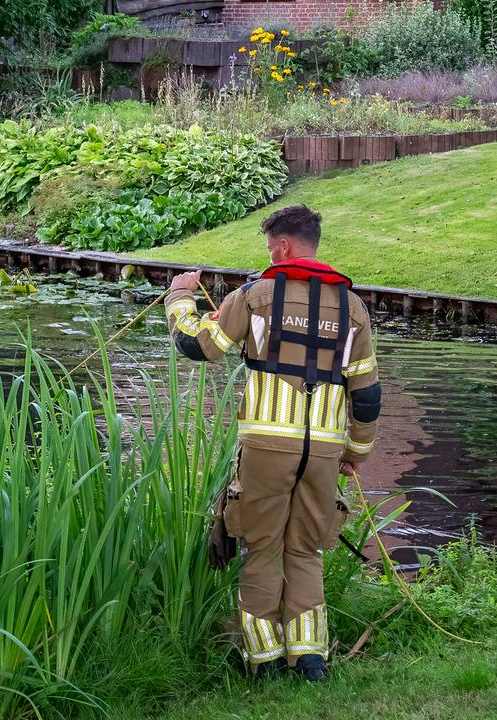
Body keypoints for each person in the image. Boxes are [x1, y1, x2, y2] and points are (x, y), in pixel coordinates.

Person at [163, 205, 382, 682]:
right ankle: (309, 661)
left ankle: (262, 662)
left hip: (266, 447)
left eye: (269, 247)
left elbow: (198, 346)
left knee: (262, 549)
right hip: (324, 452)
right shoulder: (353, 308)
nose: (268, 254)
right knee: (305, 551)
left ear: (282, 246)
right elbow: (367, 395)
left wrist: (180, 300)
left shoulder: (256, 295)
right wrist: (355, 454)